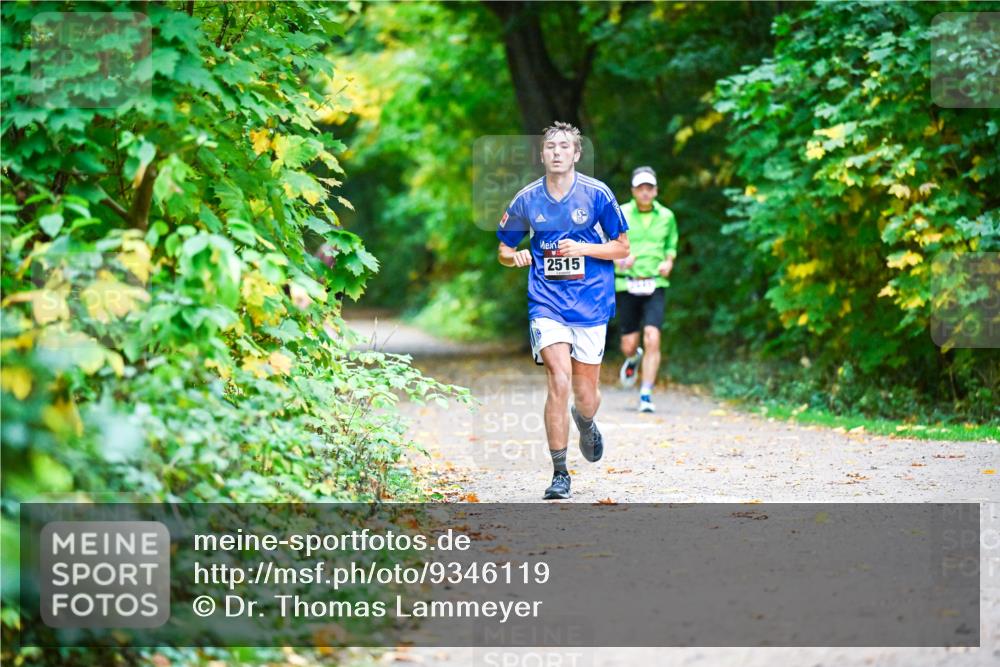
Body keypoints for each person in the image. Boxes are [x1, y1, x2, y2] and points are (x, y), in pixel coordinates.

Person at [496, 121, 630, 500]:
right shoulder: (527, 199)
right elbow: (504, 249)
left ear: (576, 154)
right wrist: (514, 257)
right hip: (547, 301)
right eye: (550, 147)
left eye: (564, 147)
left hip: (591, 302)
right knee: (558, 379)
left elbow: (622, 248)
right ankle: (560, 473)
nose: (557, 152)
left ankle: (585, 422)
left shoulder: (597, 194)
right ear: (542, 154)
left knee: (586, 395)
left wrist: (583, 249)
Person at [613, 166, 678, 413]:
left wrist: (668, 262)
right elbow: (606, 244)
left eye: (649, 188)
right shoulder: (620, 213)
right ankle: (633, 358)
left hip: (655, 283)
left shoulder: (667, 216)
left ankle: (646, 393)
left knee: (653, 336)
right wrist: (620, 259)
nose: (645, 192)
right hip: (626, 282)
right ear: (633, 191)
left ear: (656, 190)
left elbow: (671, 245)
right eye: (640, 188)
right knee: (629, 345)